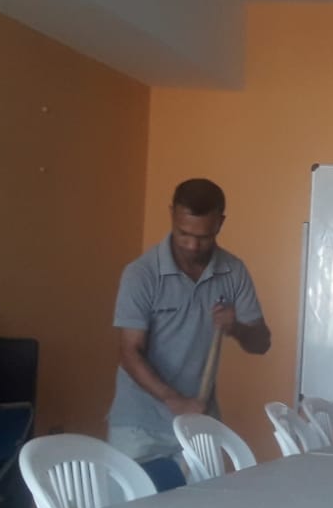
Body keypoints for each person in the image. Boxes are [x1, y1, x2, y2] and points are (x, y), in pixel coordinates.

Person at [107, 178, 271, 461]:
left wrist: (236, 328)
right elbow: (129, 352)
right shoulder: (142, 274)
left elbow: (261, 343)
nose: (193, 245)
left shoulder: (233, 271)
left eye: (204, 237)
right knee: (138, 493)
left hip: (200, 422)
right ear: (172, 215)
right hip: (139, 427)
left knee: (205, 493)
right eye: (184, 233)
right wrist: (175, 400)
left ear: (220, 223)